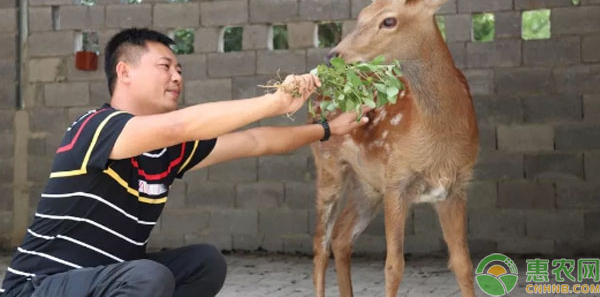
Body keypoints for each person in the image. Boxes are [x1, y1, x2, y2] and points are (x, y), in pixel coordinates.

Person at [1, 28, 371, 297]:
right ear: (124, 72)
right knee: (147, 278)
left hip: (104, 280)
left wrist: (328, 129)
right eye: (164, 66)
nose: (176, 76)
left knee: (204, 264)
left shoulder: (169, 151)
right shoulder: (96, 128)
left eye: (179, 69)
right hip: (37, 288)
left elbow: (254, 141)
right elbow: (181, 124)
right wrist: (275, 101)